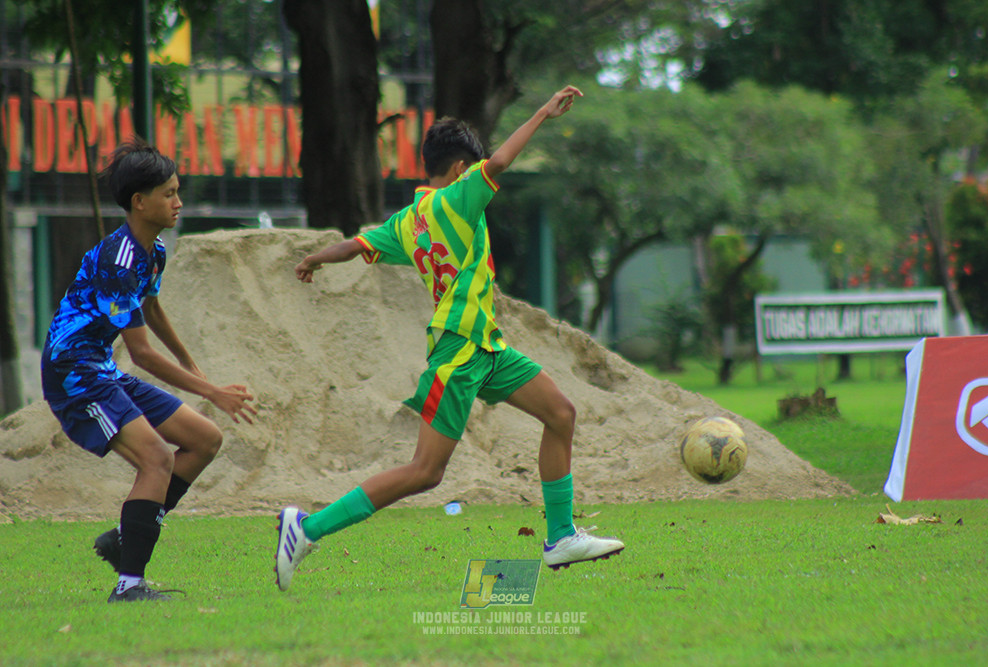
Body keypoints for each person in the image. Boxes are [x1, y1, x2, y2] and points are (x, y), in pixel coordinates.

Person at [274, 86, 623, 592]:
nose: (480, 178)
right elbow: (498, 162)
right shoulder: (458, 197)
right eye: (473, 170)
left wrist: (315, 259)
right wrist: (542, 114)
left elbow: (356, 245)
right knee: (425, 472)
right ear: (461, 168)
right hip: (459, 352)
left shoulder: (407, 220)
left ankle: (562, 537)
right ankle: (307, 529)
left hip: (487, 347)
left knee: (560, 413)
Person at [40, 137, 257, 603]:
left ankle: (127, 536)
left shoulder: (153, 250)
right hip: (74, 374)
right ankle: (129, 585)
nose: (178, 202)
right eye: (169, 193)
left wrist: (188, 361)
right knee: (157, 458)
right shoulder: (117, 262)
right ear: (139, 202)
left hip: (100, 369)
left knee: (205, 439)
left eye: (178, 192)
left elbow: (151, 308)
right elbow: (140, 353)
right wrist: (213, 392)